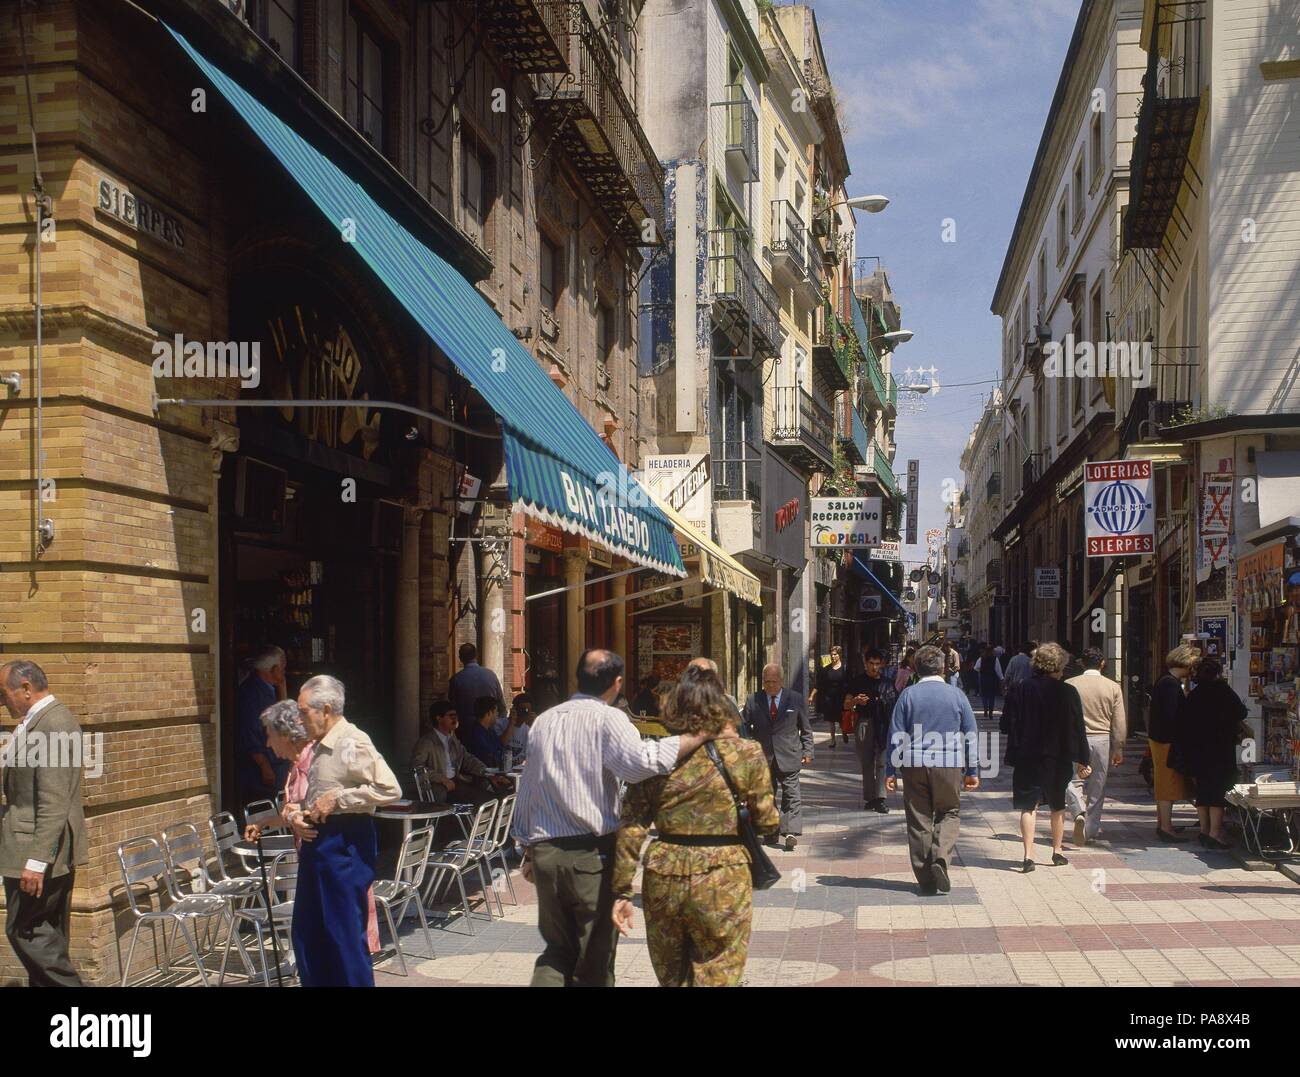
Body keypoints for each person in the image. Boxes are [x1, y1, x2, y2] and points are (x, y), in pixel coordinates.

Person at [511, 649, 716, 987]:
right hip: (589, 856)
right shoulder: (609, 719)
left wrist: (528, 848)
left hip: (547, 852)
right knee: (596, 955)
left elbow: (528, 788)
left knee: (557, 951)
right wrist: (696, 737)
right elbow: (639, 764)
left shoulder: (545, 720)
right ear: (617, 683)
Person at [611, 665, 778, 986]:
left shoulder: (657, 756)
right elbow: (769, 821)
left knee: (672, 977)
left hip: (664, 874)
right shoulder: (746, 754)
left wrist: (621, 890)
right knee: (719, 971)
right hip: (724, 875)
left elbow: (631, 826)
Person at [288, 674, 402, 987]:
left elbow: (389, 788)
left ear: (325, 709)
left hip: (344, 844)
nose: (298, 720)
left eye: (303, 712)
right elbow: (314, 796)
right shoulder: (319, 745)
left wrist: (340, 798)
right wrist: (298, 815)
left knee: (343, 936)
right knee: (309, 933)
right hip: (318, 843)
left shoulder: (352, 740)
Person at [246, 700, 380, 954]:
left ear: (286, 734)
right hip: (313, 860)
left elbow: (323, 807)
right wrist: (264, 823)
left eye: (270, 735)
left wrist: (300, 817)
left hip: (334, 862)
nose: (267, 744)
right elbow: (294, 808)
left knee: (341, 944)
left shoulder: (316, 761)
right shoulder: (296, 766)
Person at [0, 661, 88, 986]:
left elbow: (53, 802)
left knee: (27, 931)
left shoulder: (53, 725)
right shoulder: (38, 722)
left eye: (3, 693)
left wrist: (36, 862)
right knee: (49, 937)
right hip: (40, 849)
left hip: (35, 851)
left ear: (25, 688)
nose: (1, 701)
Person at [884, 646, 980, 895]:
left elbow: (895, 734)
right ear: (943, 668)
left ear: (915, 668)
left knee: (919, 820)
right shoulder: (957, 695)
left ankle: (925, 879)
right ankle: (940, 858)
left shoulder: (908, 695)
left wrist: (890, 770)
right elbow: (970, 733)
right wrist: (973, 769)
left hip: (914, 764)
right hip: (949, 764)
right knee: (949, 812)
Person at [1000, 642, 1091, 871]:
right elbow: (1078, 726)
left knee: (1029, 806)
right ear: (1060, 665)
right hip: (1057, 755)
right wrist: (1083, 759)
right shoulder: (1068, 691)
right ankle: (1057, 851)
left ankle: (1028, 855)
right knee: (1057, 804)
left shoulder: (1019, 689)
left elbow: (1005, 724)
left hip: (1027, 754)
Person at [1171, 657, 1245, 849]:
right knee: (1218, 791)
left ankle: (1204, 830)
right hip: (1220, 748)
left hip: (1198, 749)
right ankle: (1215, 833)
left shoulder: (1194, 695)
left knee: (1203, 790)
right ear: (1218, 673)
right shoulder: (1223, 691)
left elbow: (1184, 720)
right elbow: (1241, 712)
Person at [742, 664, 813, 851]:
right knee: (767, 795)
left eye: (774, 682)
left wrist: (808, 752)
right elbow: (743, 727)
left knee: (792, 794)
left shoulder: (795, 699)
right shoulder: (753, 700)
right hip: (763, 757)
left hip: (789, 755)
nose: (770, 686)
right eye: (766, 682)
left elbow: (805, 728)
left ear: (781, 681)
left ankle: (790, 832)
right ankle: (771, 832)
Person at [1065, 647, 1127, 846]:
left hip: (1074, 738)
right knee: (1097, 786)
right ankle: (1090, 829)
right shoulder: (1112, 686)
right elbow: (1119, 720)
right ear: (1102, 664)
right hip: (1101, 739)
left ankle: (1077, 811)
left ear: (1082, 663)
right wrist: (1118, 747)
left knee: (1072, 780)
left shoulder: (1070, 684)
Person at [410, 700, 509, 805]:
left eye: (456, 715)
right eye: (451, 716)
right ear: (439, 718)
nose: (455, 719)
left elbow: (468, 759)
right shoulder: (427, 741)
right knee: (481, 799)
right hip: (440, 788)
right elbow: (416, 766)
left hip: (456, 782)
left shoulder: (453, 739)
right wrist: (441, 779)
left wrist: (488, 773)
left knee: (493, 793)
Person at [1149, 644, 1197, 842]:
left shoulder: (1164, 680)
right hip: (1166, 741)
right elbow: (1171, 716)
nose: (1192, 671)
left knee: (1164, 783)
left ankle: (1163, 824)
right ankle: (1166, 827)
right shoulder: (1171, 684)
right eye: (1191, 666)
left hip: (1159, 738)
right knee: (1168, 784)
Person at [235, 644, 289, 807]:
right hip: (264, 765)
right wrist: (264, 765)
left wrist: (282, 686)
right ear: (274, 669)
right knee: (266, 807)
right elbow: (249, 731)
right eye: (282, 668)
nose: (284, 672)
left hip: (276, 761)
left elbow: (287, 716)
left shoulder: (270, 689)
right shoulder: (251, 692)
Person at [847, 647, 897, 813]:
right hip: (865, 724)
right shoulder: (857, 681)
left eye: (877, 664)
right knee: (867, 763)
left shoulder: (887, 683)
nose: (874, 667)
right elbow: (845, 704)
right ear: (865, 663)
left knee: (882, 762)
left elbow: (895, 704)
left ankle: (881, 798)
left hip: (883, 724)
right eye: (871, 663)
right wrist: (855, 701)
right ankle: (870, 798)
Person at [448, 643, 506, 738]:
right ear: (476, 655)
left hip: (467, 730)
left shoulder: (456, 679)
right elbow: (501, 705)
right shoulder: (491, 675)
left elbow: (453, 707)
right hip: (489, 728)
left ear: (460, 658)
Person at [810, 645, 849, 749]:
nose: (833, 656)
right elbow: (819, 684)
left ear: (839, 655)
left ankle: (844, 732)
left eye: (835, 654)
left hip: (841, 697)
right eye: (831, 654)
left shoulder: (845, 668)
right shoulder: (826, 670)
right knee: (831, 720)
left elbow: (849, 683)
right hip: (829, 698)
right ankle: (833, 740)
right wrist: (811, 696)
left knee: (841, 719)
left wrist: (849, 697)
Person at [463, 695, 508, 768]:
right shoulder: (476, 734)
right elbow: (489, 757)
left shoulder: (490, 731)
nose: (497, 714)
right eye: (496, 711)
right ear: (489, 713)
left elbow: (500, 747)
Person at [973, 643, 1004, 719]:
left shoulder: (981, 658)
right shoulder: (995, 659)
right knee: (991, 696)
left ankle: (985, 710)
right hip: (992, 678)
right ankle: (990, 712)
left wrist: (981, 670)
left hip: (983, 678)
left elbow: (976, 668)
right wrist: (1001, 678)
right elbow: (998, 670)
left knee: (984, 695)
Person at [505, 693, 536, 763]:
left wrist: (535, 727)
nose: (524, 713)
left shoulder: (528, 729)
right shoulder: (500, 724)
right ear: (514, 709)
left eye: (528, 710)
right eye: (522, 709)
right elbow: (501, 745)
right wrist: (511, 723)